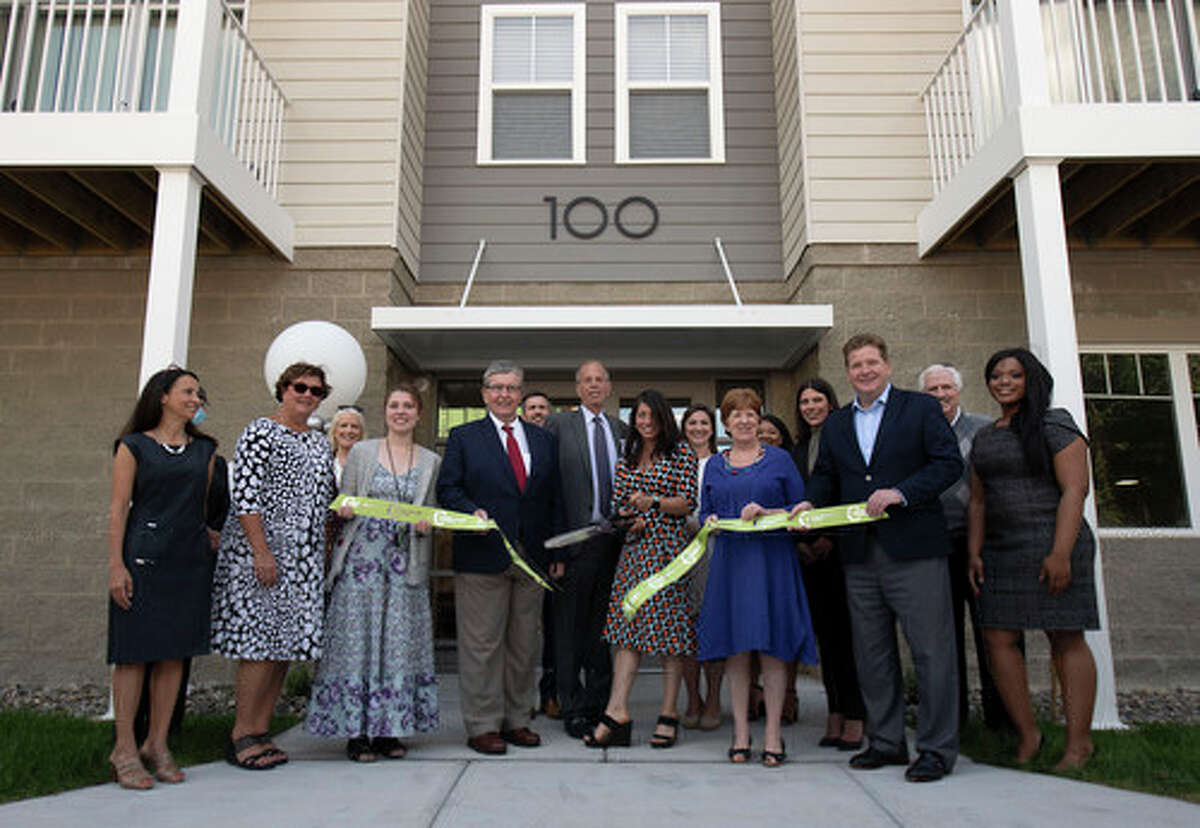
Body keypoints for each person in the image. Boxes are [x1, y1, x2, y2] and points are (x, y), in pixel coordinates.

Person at [791, 333, 962, 783]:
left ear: (886, 365)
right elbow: (826, 474)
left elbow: (948, 465)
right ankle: (885, 742)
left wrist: (902, 493)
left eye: (871, 363)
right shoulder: (838, 423)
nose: (864, 371)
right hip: (859, 554)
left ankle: (936, 749)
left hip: (915, 550)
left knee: (931, 652)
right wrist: (810, 503)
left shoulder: (921, 408)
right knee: (872, 654)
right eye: (855, 365)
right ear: (847, 372)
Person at [968, 348, 1099, 770]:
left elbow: (1075, 491)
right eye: (996, 375)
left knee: (1065, 636)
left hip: (1054, 540)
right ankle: (1029, 735)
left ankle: (1080, 744)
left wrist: (1060, 553)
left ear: (1032, 379)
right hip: (1002, 548)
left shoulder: (1053, 423)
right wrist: (974, 551)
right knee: (997, 637)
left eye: (1014, 375)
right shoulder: (986, 435)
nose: (1003, 382)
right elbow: (977, 501)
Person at [306, 384, 441, 761]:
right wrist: (344, 509)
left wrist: (427, 524)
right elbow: (341, 502)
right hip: (362, 563)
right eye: (394, 406)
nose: (401, 412)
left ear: (418, 414)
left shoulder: (430, 460)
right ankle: (356, 732)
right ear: (385, 412)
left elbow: (430, 510)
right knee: (358, 646)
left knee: (398, 648)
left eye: (408, 406)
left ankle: (389, 730)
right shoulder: (363, 453)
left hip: (404, 566)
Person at [211, 362, 335, 770]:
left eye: (316, 391)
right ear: (282, 389)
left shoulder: (319, 442)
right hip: (262, 555)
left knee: (284, 646)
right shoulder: (260, 431)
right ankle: (241, 733)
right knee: (259, 645)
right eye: (299, 387)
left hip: (304, 560)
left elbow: (325, 501)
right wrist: (261, 552)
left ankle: (261, 730)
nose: (307, 395)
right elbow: (244, 497)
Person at [436, 360, 562, 755]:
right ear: (484, 393)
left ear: (521, 393)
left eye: (511, 387)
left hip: (531, 558)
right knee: (482, 645)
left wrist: (557, 551)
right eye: (496, 387)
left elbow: (553, 498)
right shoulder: (463, 437)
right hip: (482, 554)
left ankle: (516, 720)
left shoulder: (542, 440)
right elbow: (448, 490)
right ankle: (483, 725)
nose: (504, 394)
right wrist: (469, 510)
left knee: (524, 644)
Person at [106, 367, 217, 789]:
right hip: (142, 560)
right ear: (164, 397)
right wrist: (117, 565)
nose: (195, 399)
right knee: (134, 654)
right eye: (187, 391)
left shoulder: (205, 452)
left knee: (174, 653)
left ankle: (157, 743)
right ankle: (123, 749)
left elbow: (201, 509)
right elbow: (118, 510)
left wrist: (211, 536)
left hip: (187, 563)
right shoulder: (132, 447)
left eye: (198, 393)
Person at [698, 389, 816, 768]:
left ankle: (773, 734)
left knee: (773, 646)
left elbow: (800, 512)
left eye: (751, 414)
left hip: (773, 561)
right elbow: (705, 512)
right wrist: (710, 521)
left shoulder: (780, 460)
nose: (744, 421)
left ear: (759, 418)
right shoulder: (715, 465)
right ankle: (741, 733)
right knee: (737, 647)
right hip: (732, 563)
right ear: (726, 422)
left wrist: (768, 511)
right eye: (736, 415)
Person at [585, 389, 697, 750]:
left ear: (664, 417)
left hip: (667, 554)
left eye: (651, 416)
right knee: (625, 631)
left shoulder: (681, 451)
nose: (645, 422)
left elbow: (687, 501)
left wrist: (653, 503)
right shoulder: (629, 454)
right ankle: (617, 712)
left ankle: (669, 714)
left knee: (669, 636)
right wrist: (627, 520)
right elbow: (619, 503)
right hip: (634, 553)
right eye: (639, 416)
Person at [919, 363, 1014, 731]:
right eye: (933, 390)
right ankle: (953, 722)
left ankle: (1003, 721)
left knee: (994, 631)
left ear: (958, 390)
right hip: (936, 545)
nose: (940, 395)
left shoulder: (984, 429)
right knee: (945, 636)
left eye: (946, 388)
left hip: (981, 545)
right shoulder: (919, 433)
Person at [544, 361, 628, 738]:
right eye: (587, 381)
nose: (594, 386)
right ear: (577, 388)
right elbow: (547, 490)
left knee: (602, 632)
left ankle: (598, 705)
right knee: (568, 632)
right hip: (573, 545)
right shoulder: (559, 426)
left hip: (614, 545)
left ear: (609, 387)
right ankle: (572, 707)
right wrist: (555, 552)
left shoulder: (621, 430)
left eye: (600, 380)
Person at [791, 378, 866, 751]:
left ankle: (855, 715)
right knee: (827, 641)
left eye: (817, 399)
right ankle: (834, 712)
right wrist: (802, 544)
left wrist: (828, 539)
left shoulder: (844, 441)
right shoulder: (799, 448)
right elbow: (795, 499)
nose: (811, 407)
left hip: (842, 552)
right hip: (809, 558)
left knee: (848, 639)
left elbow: (847, 492)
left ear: (830, 403)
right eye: (804, 401)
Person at [679, 403, 724, 732]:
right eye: (692, 423)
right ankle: (692, 699)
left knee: (712, 626)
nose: (698, 428)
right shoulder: (677, 462)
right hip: (679, 553)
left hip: (716, 550)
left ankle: (713, 700)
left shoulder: (723, 462)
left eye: (704, 423)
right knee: (686, 630)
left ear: (713, 428)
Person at [752, 411, 799, 724]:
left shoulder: (785, 463)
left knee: (783, 626)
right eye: (761, 431)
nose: (766, 436)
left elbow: (799, 504)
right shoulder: (737, 464)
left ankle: (788, 695)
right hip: (749, 555)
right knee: (755, 626)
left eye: (772, 432)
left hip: (784, 552)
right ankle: (757, 695)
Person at [522, 389, 558, 718]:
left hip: (549, 552)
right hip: (517, 551)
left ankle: (550, 694)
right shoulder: (516, 446)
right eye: (532, 408)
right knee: (522, 631)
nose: (537, 412)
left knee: (552, 628)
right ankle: (521, 697)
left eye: (542, 408)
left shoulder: (554, 447)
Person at [329, 406, 366, 488]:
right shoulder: (324, 462)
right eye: (343, 426)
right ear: (335, 431)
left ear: (361, 433)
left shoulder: (369, 463)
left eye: (354, 426)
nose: (349, 431)